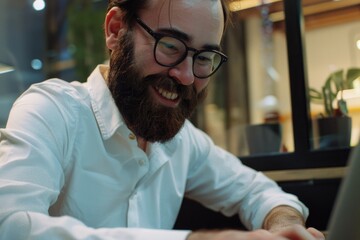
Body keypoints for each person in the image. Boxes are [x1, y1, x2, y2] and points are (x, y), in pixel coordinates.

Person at [0, 0, 325, 239]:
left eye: (204, 57)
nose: (185, 76)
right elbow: (10, 225)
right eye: (170, 45)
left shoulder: (182, 140)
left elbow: (256, 191)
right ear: (115, 30)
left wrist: (284, 224)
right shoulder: (53, 110)